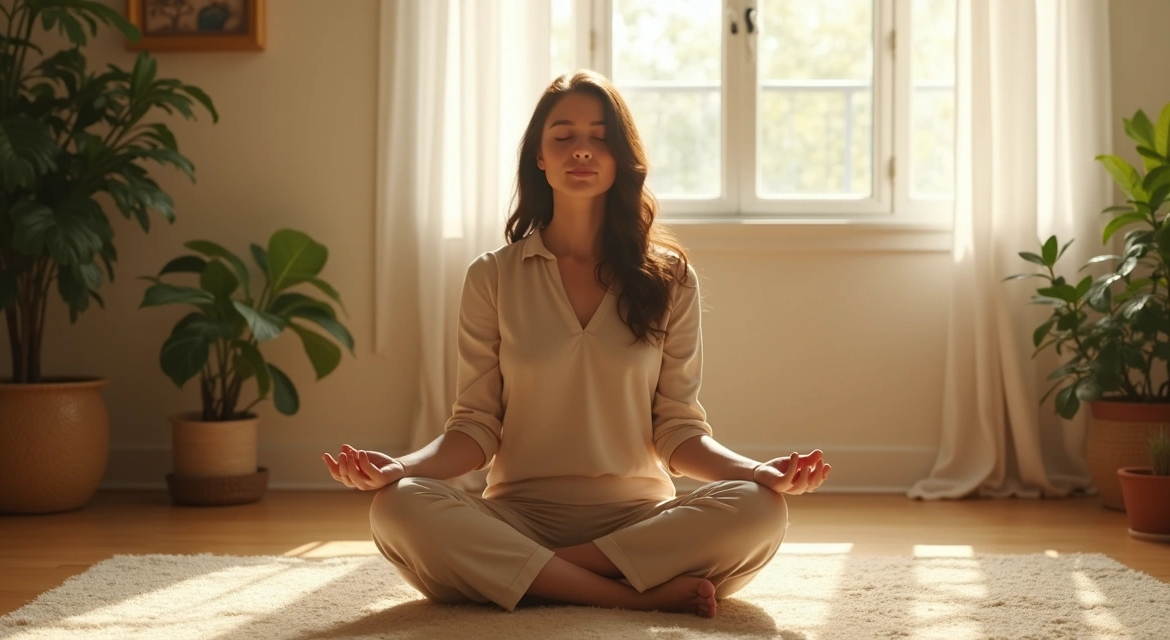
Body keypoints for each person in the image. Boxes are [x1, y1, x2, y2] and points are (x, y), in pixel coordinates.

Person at [323, 70, 831, 619]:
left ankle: (532, 573)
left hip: (640, 518)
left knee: (760, 509)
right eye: (563, 136)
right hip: (518, 514)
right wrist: (399, 468)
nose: (582, 151)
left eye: (600, 137)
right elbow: (474, 428)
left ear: (621, 157)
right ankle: (622, 592)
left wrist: (757, 473)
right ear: (539, 157)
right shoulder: (493, 277)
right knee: (397, 506)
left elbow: (678, 431)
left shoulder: (671, 279)